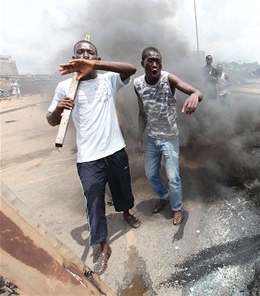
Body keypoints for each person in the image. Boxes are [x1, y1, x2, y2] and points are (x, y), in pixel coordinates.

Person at [46, 39, 140, 275]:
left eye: (90, 53)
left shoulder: (108, 79)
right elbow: (52, 120)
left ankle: (126, 213)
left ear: (97, 58)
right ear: (73, 58)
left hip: (115, 150)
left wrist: (96, 65)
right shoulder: (65, 87)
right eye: (80, 52)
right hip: (88, 158)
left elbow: (131, 69)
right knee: (94, 203)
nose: (85, 55)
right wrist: (59, 109)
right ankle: (103, 246)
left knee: (123, 190)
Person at [134, 47, 203, 226]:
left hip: (169, 137)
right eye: (150, 60)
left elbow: (196, 92)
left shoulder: (168, 79)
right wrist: (139, 138)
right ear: (143, 63)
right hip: (151, 137)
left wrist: (195, 95)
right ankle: (164, 196)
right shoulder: (138, 84)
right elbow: (142, 113)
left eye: (158, 60)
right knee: (150, 174)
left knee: (173, 177)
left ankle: (177, 207)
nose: (155, 64)